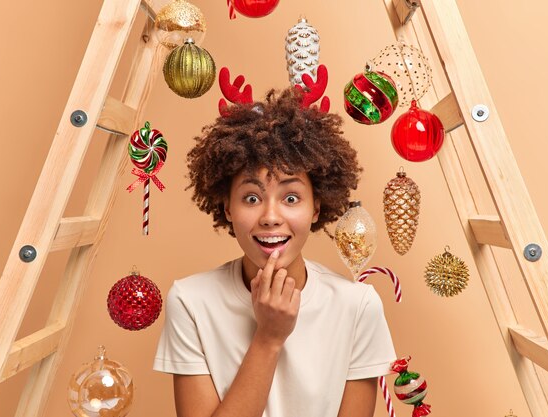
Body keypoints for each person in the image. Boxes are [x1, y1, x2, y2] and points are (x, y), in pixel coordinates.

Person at [153, 87, 396, 417]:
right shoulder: (190, 301)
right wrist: (268, 337)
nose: (270, 217)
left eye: (291, 198)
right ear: (226, 208)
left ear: (316, 208)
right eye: (251, 198)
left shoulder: (357, 306)